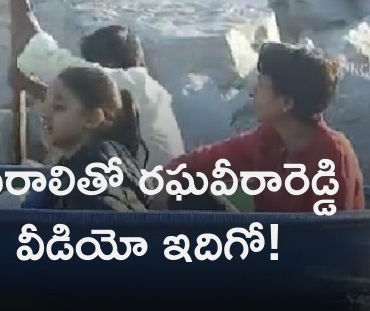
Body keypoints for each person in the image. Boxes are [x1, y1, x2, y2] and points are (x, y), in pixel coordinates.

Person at [0, 0, 185, 171]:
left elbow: (38, 51)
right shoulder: (149, 94)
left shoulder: (126, 84)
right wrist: (33, 87)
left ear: (107, 67)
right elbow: (80, 99)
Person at [152, 42, 364, 213]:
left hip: (305, 258)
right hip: (270, 245)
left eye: (262, 85)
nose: (253, 91)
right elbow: (206, 161)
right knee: (186, 193)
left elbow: (332, 238)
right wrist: (168, 177)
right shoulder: (270, 139)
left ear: (286, 103)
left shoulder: (332, 155)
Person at [18, 66, 151, 211]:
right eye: (45, 102)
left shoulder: (90, 187)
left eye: (58, 107)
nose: (44, 113)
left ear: (93, 118)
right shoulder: (95, 162)